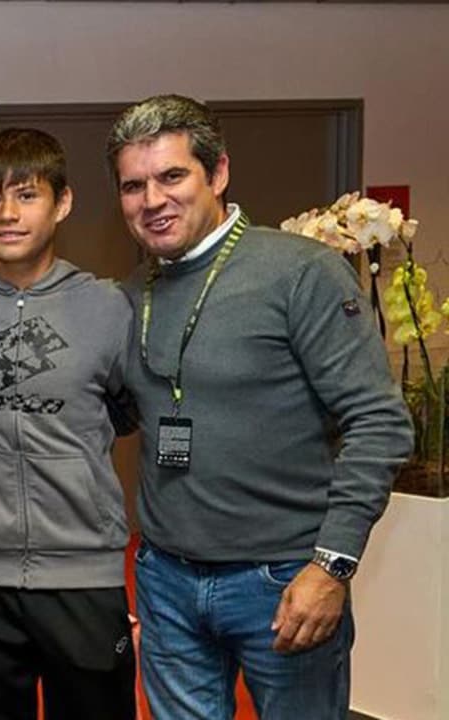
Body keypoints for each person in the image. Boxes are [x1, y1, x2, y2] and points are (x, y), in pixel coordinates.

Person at [107, 94, 413, 719]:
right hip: (166, 579)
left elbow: (379, 422)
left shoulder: (301, 273)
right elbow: (122, 413)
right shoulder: (134, 291)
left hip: (283, 581)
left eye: (172, 176)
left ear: (217, 174)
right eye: (132, 185)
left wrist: (331, 566)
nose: (151, 200)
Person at [0, 127, 137, 720]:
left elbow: (127, 411)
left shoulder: (107, 307)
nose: (8, 214)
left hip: (83, 571)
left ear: (63, 203)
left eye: (26, 195)